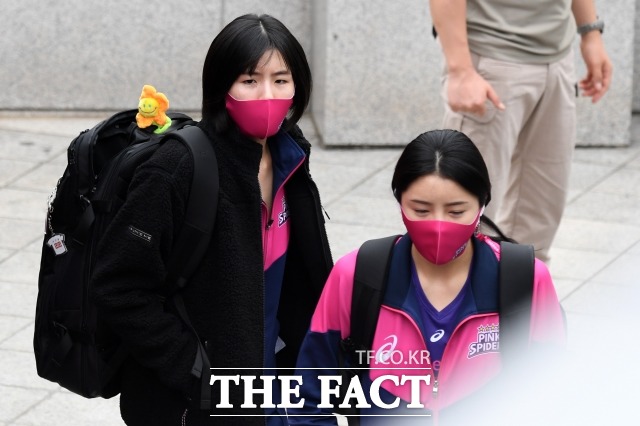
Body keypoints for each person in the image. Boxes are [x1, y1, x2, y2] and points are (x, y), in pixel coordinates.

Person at [91, 14, 333, 426]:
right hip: (196, 403)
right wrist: (197, 374)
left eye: (281, 79)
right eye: (249, 80)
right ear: (222, 88)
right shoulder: (177, 167)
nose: (267, 94)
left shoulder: (292, 158)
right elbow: (118, 286)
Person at [289, 130, 566, 424]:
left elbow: (556, 397)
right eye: (421, 210)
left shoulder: (526, 280)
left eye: (456, 211)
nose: (438, 227)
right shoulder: (356, 275)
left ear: (482, 205)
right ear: (399, 202)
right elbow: (309, 399)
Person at [430, 0, 613, 262]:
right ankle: (451, 300)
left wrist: (590, 31)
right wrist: (461, 70)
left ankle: (523, 295)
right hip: (492, 59)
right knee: (463, 209)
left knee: (540, 210)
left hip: (558, 58)